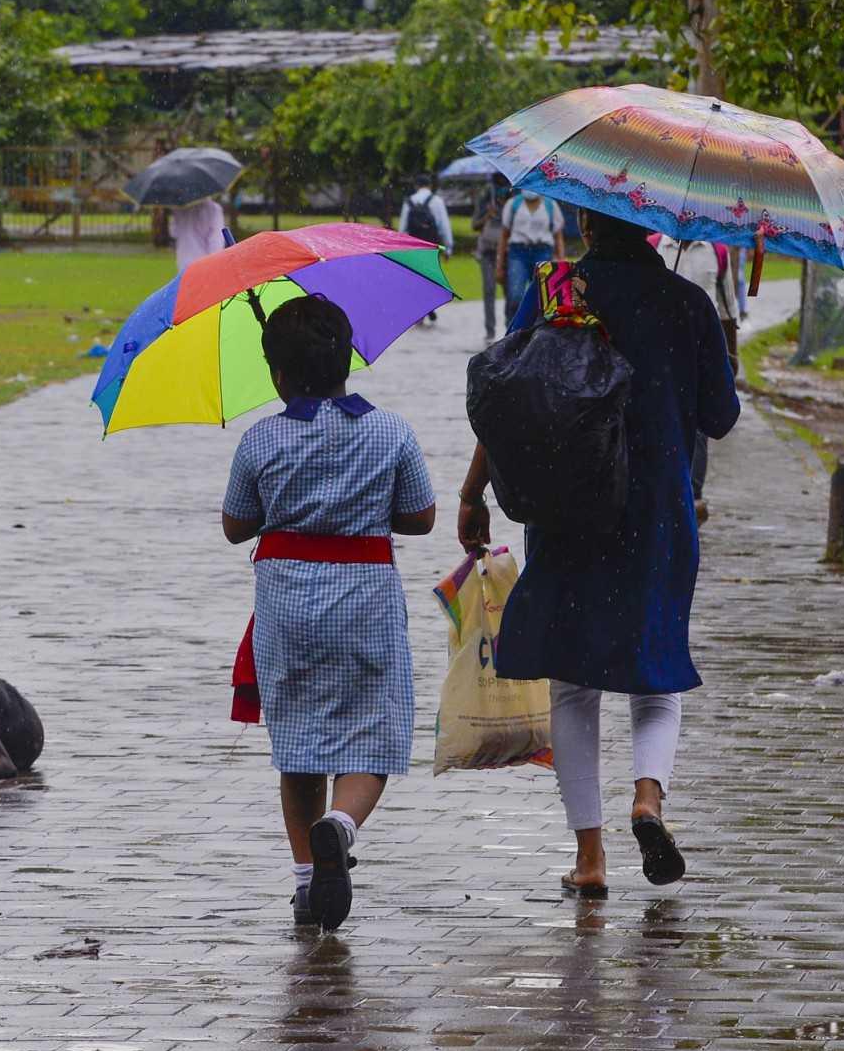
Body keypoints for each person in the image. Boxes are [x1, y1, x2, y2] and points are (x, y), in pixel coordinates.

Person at [457, 207, 739, 899]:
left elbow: (508, 400)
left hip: (567, 509)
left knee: (572, 684)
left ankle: (590, 858)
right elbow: (721, 418)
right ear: (651, 223)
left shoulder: (553, 289)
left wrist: (472, 494)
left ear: (584, 219)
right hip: (657, 514)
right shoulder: (687, 301)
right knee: (657, 671)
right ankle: (647, 798)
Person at [221, 295, 436, 932]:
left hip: (287, 605)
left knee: (298, 745)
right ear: (349, 360)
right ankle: (340, 827)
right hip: (366, 599)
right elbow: (421, 517)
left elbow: (237, 525)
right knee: (373, 730)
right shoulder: (391, 431)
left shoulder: (262, 438)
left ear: (277, 375)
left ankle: (307, 882)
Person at [653, 234, 737, 525]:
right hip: (659, 354)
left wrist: (730, 357)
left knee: (697, 427)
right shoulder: (654, 247)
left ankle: (691, 493)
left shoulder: (718, 252)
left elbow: (727, 309)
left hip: (700, 354)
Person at [495, 191, 566, 317]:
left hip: (543, 252)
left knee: (542, 296)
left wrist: (561, 259)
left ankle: (536, 328)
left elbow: (558, 236)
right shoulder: (513, 204)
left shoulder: (551, 205)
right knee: (515, 295)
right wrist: (499, 265)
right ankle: (512, 327)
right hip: (518, 252)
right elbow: (504, 235)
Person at [397, 175, 454, 324]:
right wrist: (448, 248)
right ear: (429, 185)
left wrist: (400, 249)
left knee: (416, 279)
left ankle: (422, 311)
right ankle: (429, 308)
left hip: (414, 247)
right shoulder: (436, 201)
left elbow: (403, 228)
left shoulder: (409, 202)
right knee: (430, 278)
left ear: (416, 185)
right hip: (431, 246)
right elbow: (444, 226)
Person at [473, 176, 508, 342]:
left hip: (509, 251)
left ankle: (511, 327)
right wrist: (488, 214)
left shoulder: (515, 195)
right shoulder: (486, 195)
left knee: (513, 293)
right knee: (489, 289)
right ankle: (490, 330)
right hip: (488, 251)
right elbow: (474, 225)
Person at [171, 195, 227, 272]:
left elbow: (174, 232)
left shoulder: (179, 209)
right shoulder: (213, 209)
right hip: (205, 263)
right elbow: (216, 241)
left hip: (183, 262)